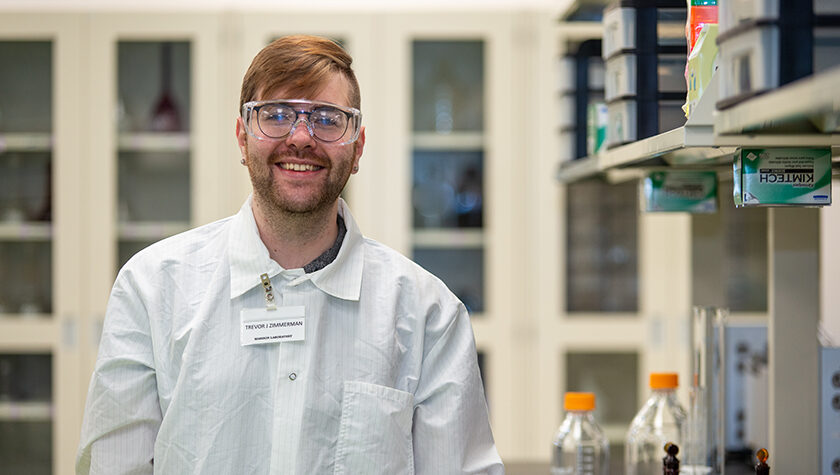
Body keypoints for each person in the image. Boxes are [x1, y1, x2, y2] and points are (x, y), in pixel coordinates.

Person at [76, 35, 503, 474]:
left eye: (328, 119)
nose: (301, 137)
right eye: (276, 115)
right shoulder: (151, 289)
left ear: (357, 147)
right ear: (242, 138)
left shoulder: (428, 314)